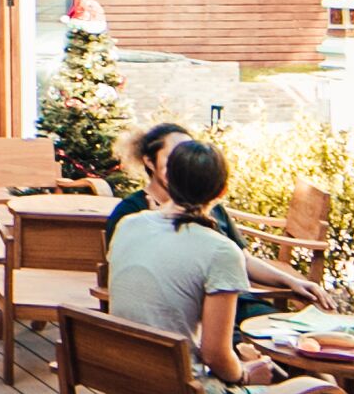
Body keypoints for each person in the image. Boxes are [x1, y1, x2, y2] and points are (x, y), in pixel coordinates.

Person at [101, 135, 346, 394]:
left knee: (275, 376)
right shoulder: (218, 250)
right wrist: (248, 375)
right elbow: (216, 355)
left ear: (168, 179)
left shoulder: (130, 225)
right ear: (223, 190)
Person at [107, 121, 324, 315]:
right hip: (198, 317)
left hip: (237, 303)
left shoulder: (212, 210)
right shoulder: (132, 216)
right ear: (150, 163)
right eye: (178, 158)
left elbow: (243, 258)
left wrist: (291, 281)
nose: (187, 164)